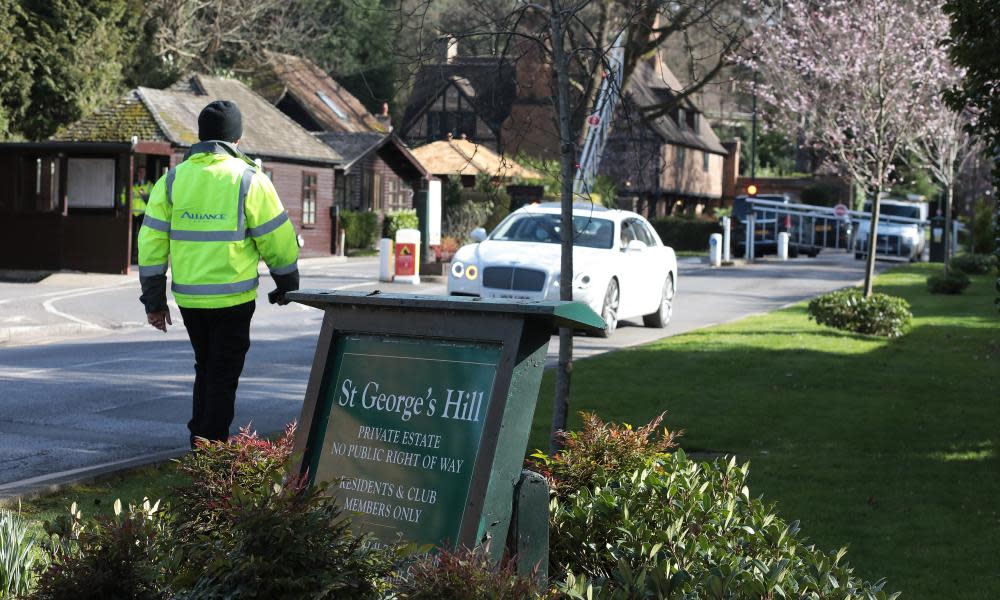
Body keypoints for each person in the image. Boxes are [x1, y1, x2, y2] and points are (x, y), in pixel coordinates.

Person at [137, 100, 300, 448]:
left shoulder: (172, 180)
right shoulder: (249, 179)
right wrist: (287, 283)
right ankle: (211, 454)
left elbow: (150, 244)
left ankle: (201, 445)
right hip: (233, 299)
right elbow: (277, 238)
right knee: (222, 377)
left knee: (206, 370)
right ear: (237, 139)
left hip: (190, 299)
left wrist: (154, 300)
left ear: (201, 136)